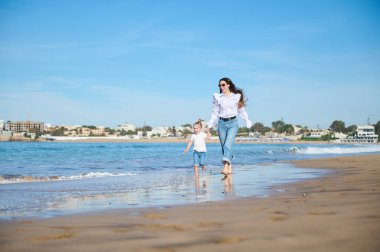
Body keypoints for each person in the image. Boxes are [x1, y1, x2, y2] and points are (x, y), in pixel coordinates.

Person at [207, 77, 252, 175]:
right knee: (224, 146)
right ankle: (229, 166)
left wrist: (247, 120)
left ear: (228, 85)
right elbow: (214, 113)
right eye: (220, 85)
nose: (221, 87)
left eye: (223, 85)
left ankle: (226, 166)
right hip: (221, 124)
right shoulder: (218, 97)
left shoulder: (236, 97)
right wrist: (210, 125)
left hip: (233, 123)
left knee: (228, 144)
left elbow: (241, 110)